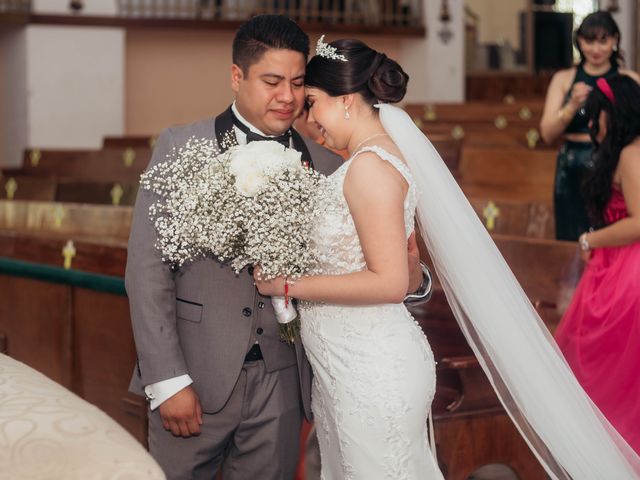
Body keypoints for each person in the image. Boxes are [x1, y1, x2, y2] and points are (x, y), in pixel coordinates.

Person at [256, 37, 640, 479]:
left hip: (369, 370)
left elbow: (387, 282)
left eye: (314, 103)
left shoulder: (370, 167)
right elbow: (396, 269)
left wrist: (287, 284)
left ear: (345, 101)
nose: (310, 118)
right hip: (348, 366)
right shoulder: (366, 160)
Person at [126, 15, 429, 480]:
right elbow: (146, 270)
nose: (287, 97)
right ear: (236, 76)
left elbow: (373, 258)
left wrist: (415, 279)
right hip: (195, 377)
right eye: (271, 81)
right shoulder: (183, 146)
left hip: (285, 383)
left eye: (297, 83)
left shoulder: (331, 164)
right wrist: (167, 381)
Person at [554, 75, 640, 455]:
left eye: (598, 114)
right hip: (612, 265)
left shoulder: (631, 155)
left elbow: (639, 221)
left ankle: (611, 453)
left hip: (628, 271)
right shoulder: (621, 151)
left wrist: (590, 239)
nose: (593, 123)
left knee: (612, 371)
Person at [539, 11, 639, 241]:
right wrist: (571, 106)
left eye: (603, 40)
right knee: (570, 236)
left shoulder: (629, 80)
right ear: (579, 41)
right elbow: (547, 134)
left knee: (610, 234)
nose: (596, 48)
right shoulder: (564, 79)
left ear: (615, 41)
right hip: (572, 165)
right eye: (589, 40)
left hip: (615, 166)